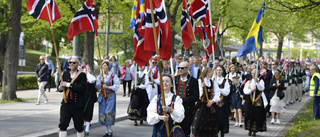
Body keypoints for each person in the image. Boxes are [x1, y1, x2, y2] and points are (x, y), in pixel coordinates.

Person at [57, 57, 87, 137]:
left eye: (74, 62)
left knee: (78, 126)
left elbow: (81, 89)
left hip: (77, 105)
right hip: (66, 104)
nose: (71, 64)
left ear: (78, 64)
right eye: (70, 62)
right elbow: (60, 86)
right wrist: (60, 87)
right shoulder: (66, 73)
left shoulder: (82, 75)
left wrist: (67, 85)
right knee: (63, 125)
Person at [192, 67, 219, 137]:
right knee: (198, 124)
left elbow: (217, 94)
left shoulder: (213, 82)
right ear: (207, 73)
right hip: (201, 105)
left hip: (210, 105)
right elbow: (198, 95)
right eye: (211, 72)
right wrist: (201, 88)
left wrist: (212, 101)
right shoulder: (199, 81)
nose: (213, 74)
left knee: (210, 125)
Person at [174, 61, 199, 137]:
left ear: (187, 69)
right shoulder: (175, 79)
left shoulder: (193, 81)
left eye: (182, 68)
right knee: (175, 129)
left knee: (185, 131)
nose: (180, 69)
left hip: (187, 110)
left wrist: (182, 100)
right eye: (179, 68)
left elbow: (195, 97)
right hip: (175, 109)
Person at [96, 61, 120, 137]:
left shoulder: (113, 76)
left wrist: (108, 87)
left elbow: (117, 86)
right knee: (103, 113)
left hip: (110, 96)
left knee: (108, 112)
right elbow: (97, 87)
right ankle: (107, 132)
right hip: (103, 96)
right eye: (103, 65)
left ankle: (110, 131)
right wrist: (100, 82)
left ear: (108, 67)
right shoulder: (101, 76)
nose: (103, 67)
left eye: (105, 65)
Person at [243, 69, 267, 136]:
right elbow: (245, 90)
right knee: (248, 114)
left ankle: (255, 130)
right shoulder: (249, 82)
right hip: (249, 99)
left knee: (257, 114)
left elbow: (261, 88)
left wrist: (258, 82)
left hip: (257, 99)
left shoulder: (261, 81)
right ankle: (249, 129)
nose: (253, 75)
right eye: (252, 73)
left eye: (255, 73)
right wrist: (251, 90)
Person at [82, 64, 98, 136]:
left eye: (88, 68)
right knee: (81, 113)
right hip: (82, 97)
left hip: (89, 98)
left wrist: (87, 73)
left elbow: (92, 80)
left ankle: (87, 129)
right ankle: (82, 127)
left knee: (88, 112)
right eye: (85, 68)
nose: (86, 69)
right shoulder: (82, 77)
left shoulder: (91, 77)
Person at [215, 65, 231, 137]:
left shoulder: (225, 80)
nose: (218, 71)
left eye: (220, 70)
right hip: (214, 102)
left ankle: (222, 134)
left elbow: (227, 92)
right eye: (217, 70)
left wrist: (218, 89)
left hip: (223, 102)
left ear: (222, 71)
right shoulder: (213, 80)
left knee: (222, 118)